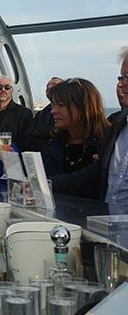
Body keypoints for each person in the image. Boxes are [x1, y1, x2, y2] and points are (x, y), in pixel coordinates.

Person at [52, 49, 128, 209]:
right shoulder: (118, 124)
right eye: (121, 77)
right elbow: (97, 173)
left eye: (127, 77)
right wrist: (47, 184)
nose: (121, 84)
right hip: (108, 226)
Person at [40, 79, 108, 176]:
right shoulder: (53, 146)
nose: (53, 111)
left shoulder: (107, 145)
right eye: (53, 105)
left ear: (83, 107)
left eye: (61, 105)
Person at [18, 77, 64, 151]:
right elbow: (27, 136)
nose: (49, 87)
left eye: (54, 84)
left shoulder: (65, 114)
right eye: (47, 85)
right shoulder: (41, 114)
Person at [0, 75, 33, 147]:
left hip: (12, 155)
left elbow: (27, 142)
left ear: (12, 90)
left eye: (7, 87)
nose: (3, 90)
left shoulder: (24, 113)